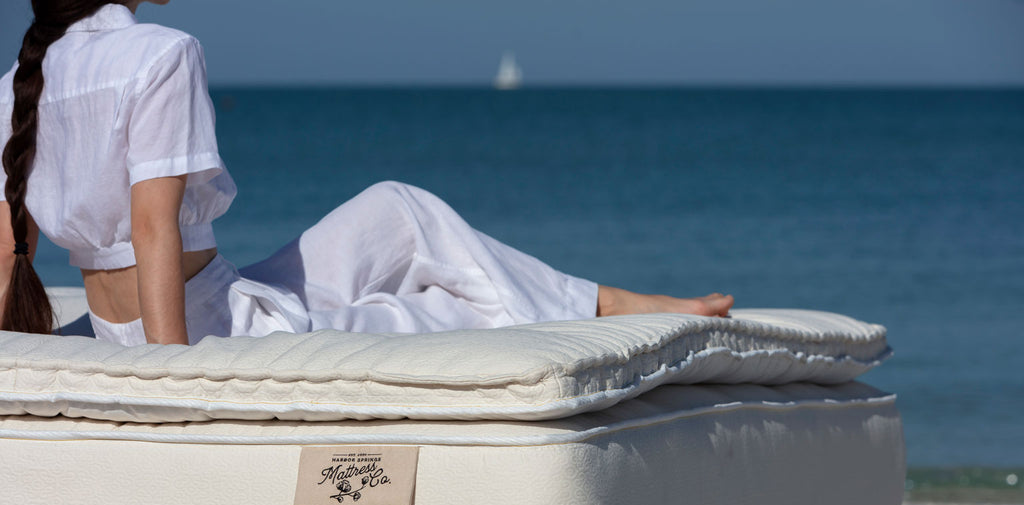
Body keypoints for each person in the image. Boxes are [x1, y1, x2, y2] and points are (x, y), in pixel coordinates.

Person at [0, 0, 734, 346]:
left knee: (396, 208)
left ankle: (602, 297)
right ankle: (605, 305)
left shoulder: (18, 83)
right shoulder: (160, 54)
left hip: (137, 318)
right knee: (447, 306)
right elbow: (152, 226)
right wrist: (172, 383)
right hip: (208, 326)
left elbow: (9, 248)